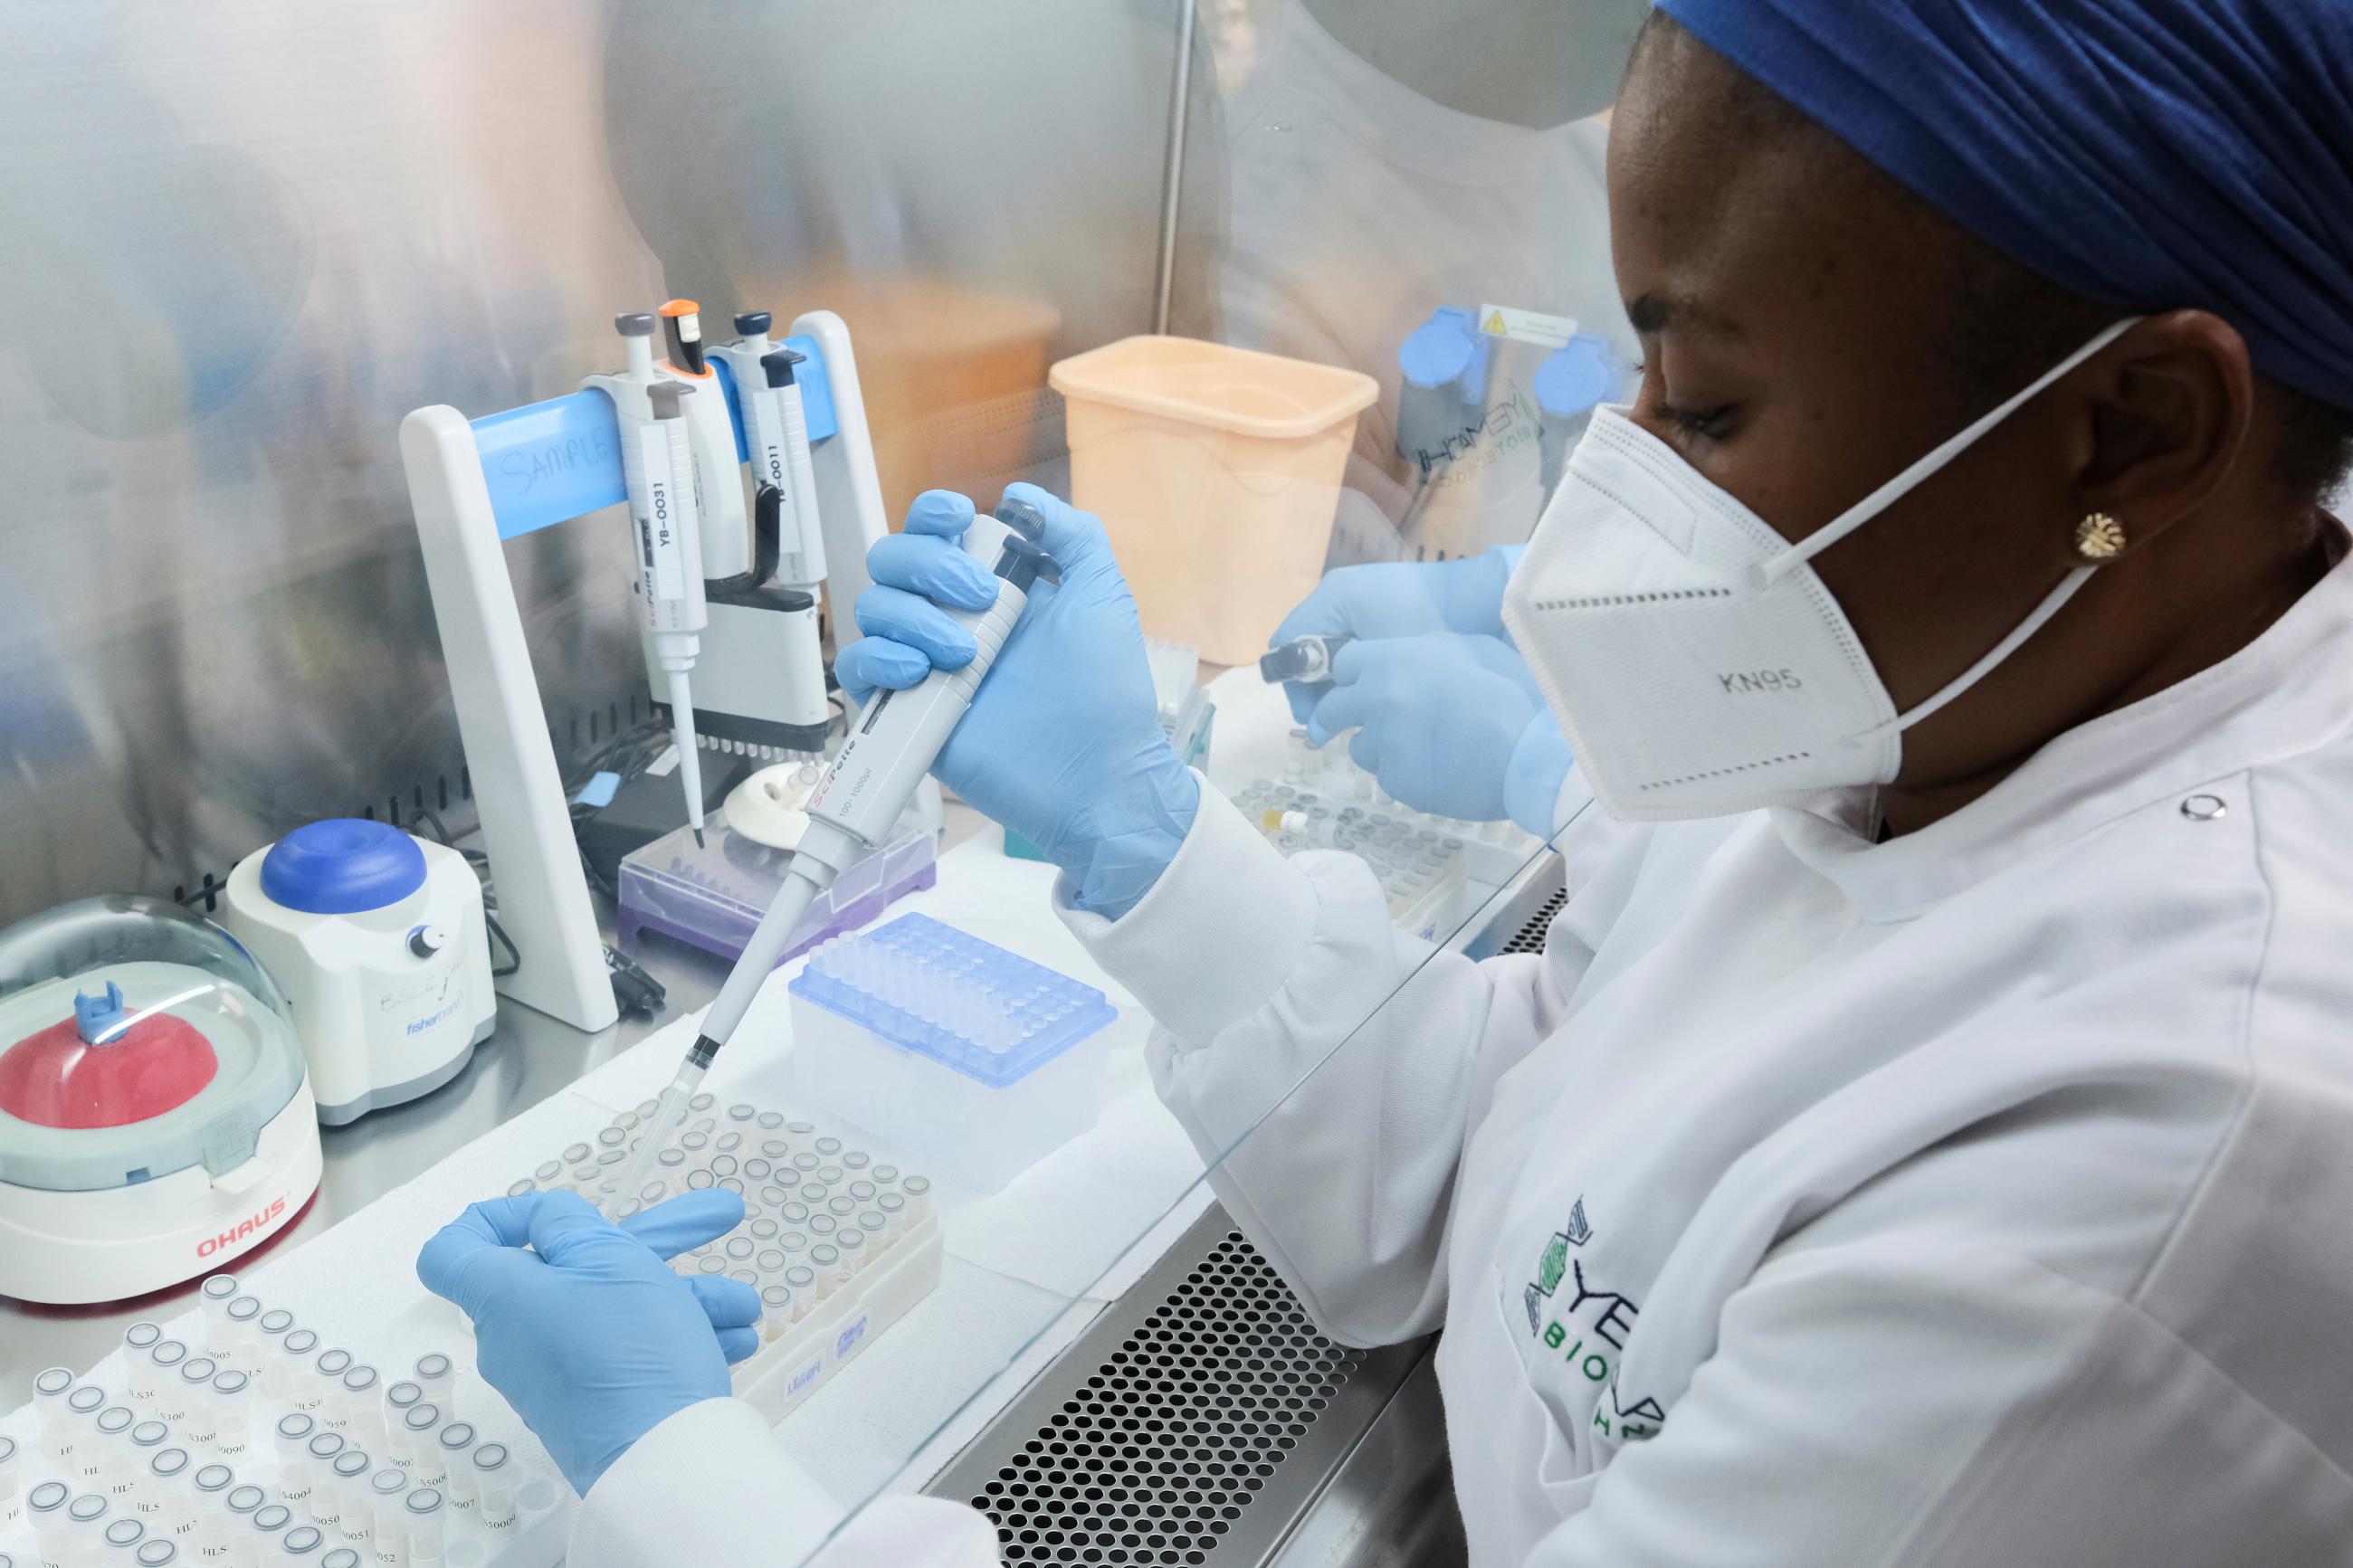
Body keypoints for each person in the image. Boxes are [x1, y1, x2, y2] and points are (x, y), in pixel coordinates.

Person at [418, 1, 2353, 1562]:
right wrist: (1137, 827)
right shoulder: (1929, 719)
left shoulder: (2160, 1171)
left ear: (2134, 431)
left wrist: (679, 1474)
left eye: (1706, 404)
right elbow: (1504, 1159)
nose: (1624, 478)